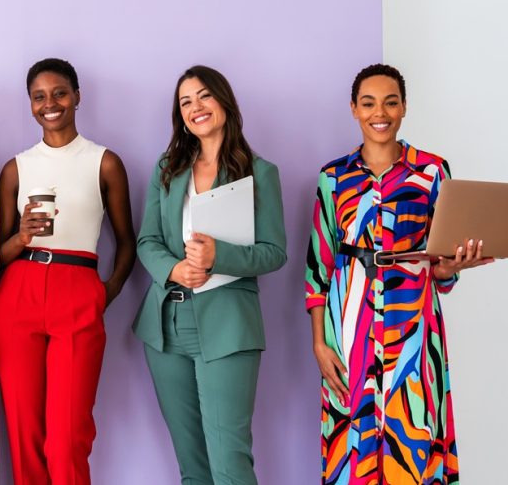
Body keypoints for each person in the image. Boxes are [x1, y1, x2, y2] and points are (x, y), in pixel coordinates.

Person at [305, 64, 493, 484]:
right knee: (352, 429)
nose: (380, 112)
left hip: (413, 322)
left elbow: (441, 269)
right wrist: (319, 342)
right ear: (354, 109)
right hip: (349, 326)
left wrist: (452, 267)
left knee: (413, 427)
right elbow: (318, 267)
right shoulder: (333, 177)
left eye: (391, 102)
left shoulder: (432, 171)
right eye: (369, 102)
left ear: (404, 107)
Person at [135, 65, 286, 484]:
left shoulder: (259, 172)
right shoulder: (167, 169)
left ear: (224, 100)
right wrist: (175, 269)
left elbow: (274, 253)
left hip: (227, 327)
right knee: (192, 468)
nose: (196, 107)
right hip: (166, 328)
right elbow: (147, 241)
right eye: (185, 102)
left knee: (229, 463)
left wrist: (219, 255)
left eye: (204, 96)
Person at [0, 57, 136, 485]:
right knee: (24, 433)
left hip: (78, 287)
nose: (49, 103)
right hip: (19, 292)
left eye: (59, 93)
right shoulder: (16, 168)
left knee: (68, 437)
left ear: (77, 97)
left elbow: (127, 240)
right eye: (39, 97)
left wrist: (103, 293)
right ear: (30, 105)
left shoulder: (104, 162)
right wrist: (20, 237)